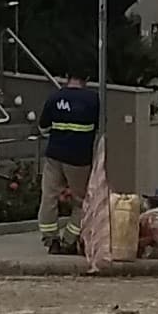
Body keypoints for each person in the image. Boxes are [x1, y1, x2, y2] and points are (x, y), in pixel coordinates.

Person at [38, 74, 101, 253]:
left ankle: (51, 240)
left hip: (54, 155)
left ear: (67, 77)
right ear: (86, 78)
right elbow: (100, 127)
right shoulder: (93, 99)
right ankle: (69, 240)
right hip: (79, 159)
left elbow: (43, 128)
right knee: (82, 201)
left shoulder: (55, 97)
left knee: (49, 197)